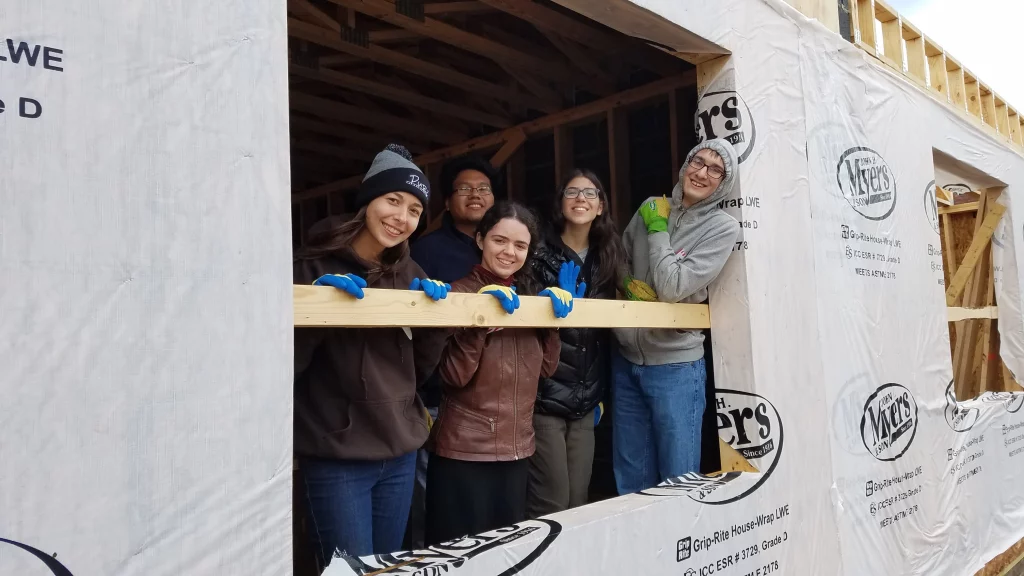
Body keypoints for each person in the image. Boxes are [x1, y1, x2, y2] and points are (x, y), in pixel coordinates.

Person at [293, 144, 452, 570]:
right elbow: (285, 368)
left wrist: (436, 321)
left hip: (399, 453)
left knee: (387, 568)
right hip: (337, 456)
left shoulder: (411, 273)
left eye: (415, 210)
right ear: (368, 199)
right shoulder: (309, 266)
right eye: (393, 200)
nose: (402, 218)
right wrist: (318, 312)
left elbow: (416, 371)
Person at [425, 201, 578, 545]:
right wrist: (479, 323)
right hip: (464, 451)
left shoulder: (528, 299)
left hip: (517, 450)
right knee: (459, 556)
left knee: (502, 554)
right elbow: (453, 377)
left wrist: (550, 322)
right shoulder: (457, 293)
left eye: (520, 245)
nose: (509, 252)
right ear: (480, 240)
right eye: (499, 240)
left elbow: (547, 370)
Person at [612, 139, 741, 495]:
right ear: (685, 164)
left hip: (675, 367)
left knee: (678, 480)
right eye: (697, 162)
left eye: (715, 170)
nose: (702, 173)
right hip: (626, 362)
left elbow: (673, 286)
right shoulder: (650, 206)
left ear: (723, 183)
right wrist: (627, 283)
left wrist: (657, 230)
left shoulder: (722, 228)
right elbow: (619, 261)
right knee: (631, 478)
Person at [406, 155, 496, 547]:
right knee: (433, 498)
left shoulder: (508, 247)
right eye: (464, 188)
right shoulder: (426, 252)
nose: (475, 195)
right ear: (446, 202)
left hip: (494, 399)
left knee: (482, 504)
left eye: (484, 188)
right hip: (438, 397)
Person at [526, 169, 625, 518]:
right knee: (551, 504)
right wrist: (546, 300)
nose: (581, 198)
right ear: (560, 202)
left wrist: (602, 397)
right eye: (572, 191)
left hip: (586, 400)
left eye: (590, 193)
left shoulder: (609, 255)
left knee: (579, 503)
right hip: (545, 396)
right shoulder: (537, 252)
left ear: (601, 206)